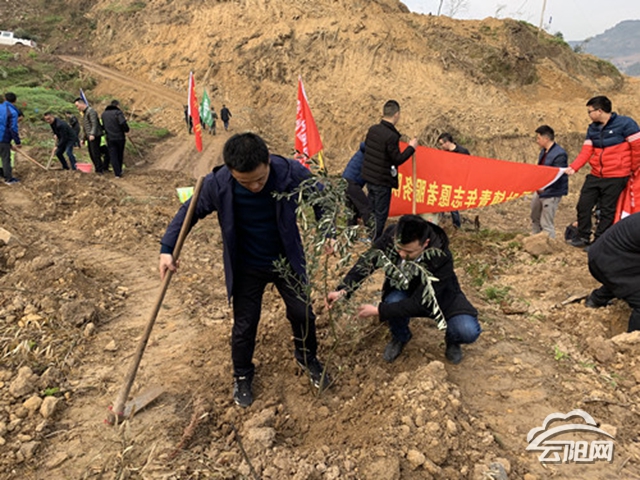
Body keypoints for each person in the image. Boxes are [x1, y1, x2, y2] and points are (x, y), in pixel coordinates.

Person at [159, 132, 332, 407]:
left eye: (260, 179)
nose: (254, 186)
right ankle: (242, 374)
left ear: (268, 161)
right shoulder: (218, 184)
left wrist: (328, 232)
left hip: (286, 260)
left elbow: (320, 197)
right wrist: (167, 247)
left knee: (302, 313)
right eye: (245, 182)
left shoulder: (289, 173)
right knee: (245, 324)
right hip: (246, 265)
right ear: (231, 172)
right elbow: (189, 212)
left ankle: (307, 357)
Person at [326, 215, 481, 365]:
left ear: (425, 243)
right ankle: (400, 336)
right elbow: (368, 261)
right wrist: (344, 290)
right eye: (399, 249)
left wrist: (378, 310)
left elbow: (421, 302)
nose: (402, 254)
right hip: (404, 289)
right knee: (392, 301)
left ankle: (452, 340)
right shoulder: (392, 237)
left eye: (409, 252)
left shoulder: (441, 256)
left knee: (467, 330)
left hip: (440, 297)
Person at [565, 96, 640, 247]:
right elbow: (586, 151)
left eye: (590, 111)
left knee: (607, 210)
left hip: (616, 176)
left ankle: (599, 242)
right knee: (583, 205)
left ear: (599, 111)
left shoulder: (626, 124)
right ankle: (583, 236)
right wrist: (574, 167)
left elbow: (637, 148)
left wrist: (630, 168)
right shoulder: (592, 128)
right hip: (596, 174)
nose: (589, 115)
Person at [361, 100, 418, 240]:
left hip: (370, 176)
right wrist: (411, 148)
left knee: (372, 209)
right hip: (382, 180)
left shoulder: (373, 129)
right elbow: (397, 158)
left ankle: (369, 236)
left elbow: (367, 148)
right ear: (396, 114)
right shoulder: (391, 136)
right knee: (380, 213)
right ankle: (375, 240)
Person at [586, 212, 640, 333]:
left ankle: (596, 299)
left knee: (628, 280)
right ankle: (632, 339)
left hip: (605, 254)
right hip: (608, 261)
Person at [529, 125, 568, 238]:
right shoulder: (543, 152)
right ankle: (535, 239)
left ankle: (549, 241)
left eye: (538, 138)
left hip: (552, 192)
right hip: (540, 190)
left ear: (546, 139)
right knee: (535, 216)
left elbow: (557, 175)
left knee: (546, 221)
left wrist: (545, 187)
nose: (537, 141)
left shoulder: (559, 154)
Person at [437, 132, 471, 228]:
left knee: (452, 205)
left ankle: (456, 225)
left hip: (456, 182)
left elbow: (469, 166)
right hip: (445, 181)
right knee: (441, 202)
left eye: (442, 144)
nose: (441, 147)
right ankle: (439, 222)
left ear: (447, 142)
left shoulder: (462, 151)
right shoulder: (443, 153)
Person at [342, 142, 372, 228]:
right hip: (352, 182)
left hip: (345, 181)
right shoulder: (370, 153)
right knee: (366, 208)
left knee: (352, 210)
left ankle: (350, 231)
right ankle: (372, 231)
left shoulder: (365, 150)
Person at [74, 97, 105, 174]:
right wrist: (83, 138)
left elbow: (94, 123)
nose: (77, 108)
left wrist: (92, 134)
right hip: (89, 136)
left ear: (82, 103)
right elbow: (85, 128)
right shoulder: (84, 113)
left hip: (94, 136)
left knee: (95, 153)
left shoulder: (91, 111)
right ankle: (98, 168)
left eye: (77, 106)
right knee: (92, 154)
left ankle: (100, 170)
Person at [101, 100, 130, 178]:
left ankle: (117, 173)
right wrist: (126, 129)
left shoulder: (104, 114)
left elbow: (103, 126)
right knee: (119, 154)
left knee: (113, 155)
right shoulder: (118, 113)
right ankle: (119, 170)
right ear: (117, 105)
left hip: (110, 138)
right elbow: (122, 123)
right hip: (120, 137)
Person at [0, 92, 21, 184]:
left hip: (3, 139)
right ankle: (8, 179)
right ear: (15, 101)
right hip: (3, 138)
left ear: (5, 99)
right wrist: (17, 142)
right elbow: (13, 128)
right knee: (6, 158)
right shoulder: (13, 112)